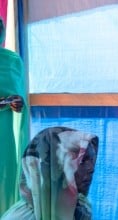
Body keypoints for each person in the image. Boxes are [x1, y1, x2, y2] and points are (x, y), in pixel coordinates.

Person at [0, 126, 99, 220]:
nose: (91, 169)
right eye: (82, 161)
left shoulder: (82, 208)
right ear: (54, 166)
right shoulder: (20, 217)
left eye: (91, 160)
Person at [0, 16, 29, 215]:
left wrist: (17, 103)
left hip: (4, 132)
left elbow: (20, 98)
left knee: (4, 177)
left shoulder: (12, 61)